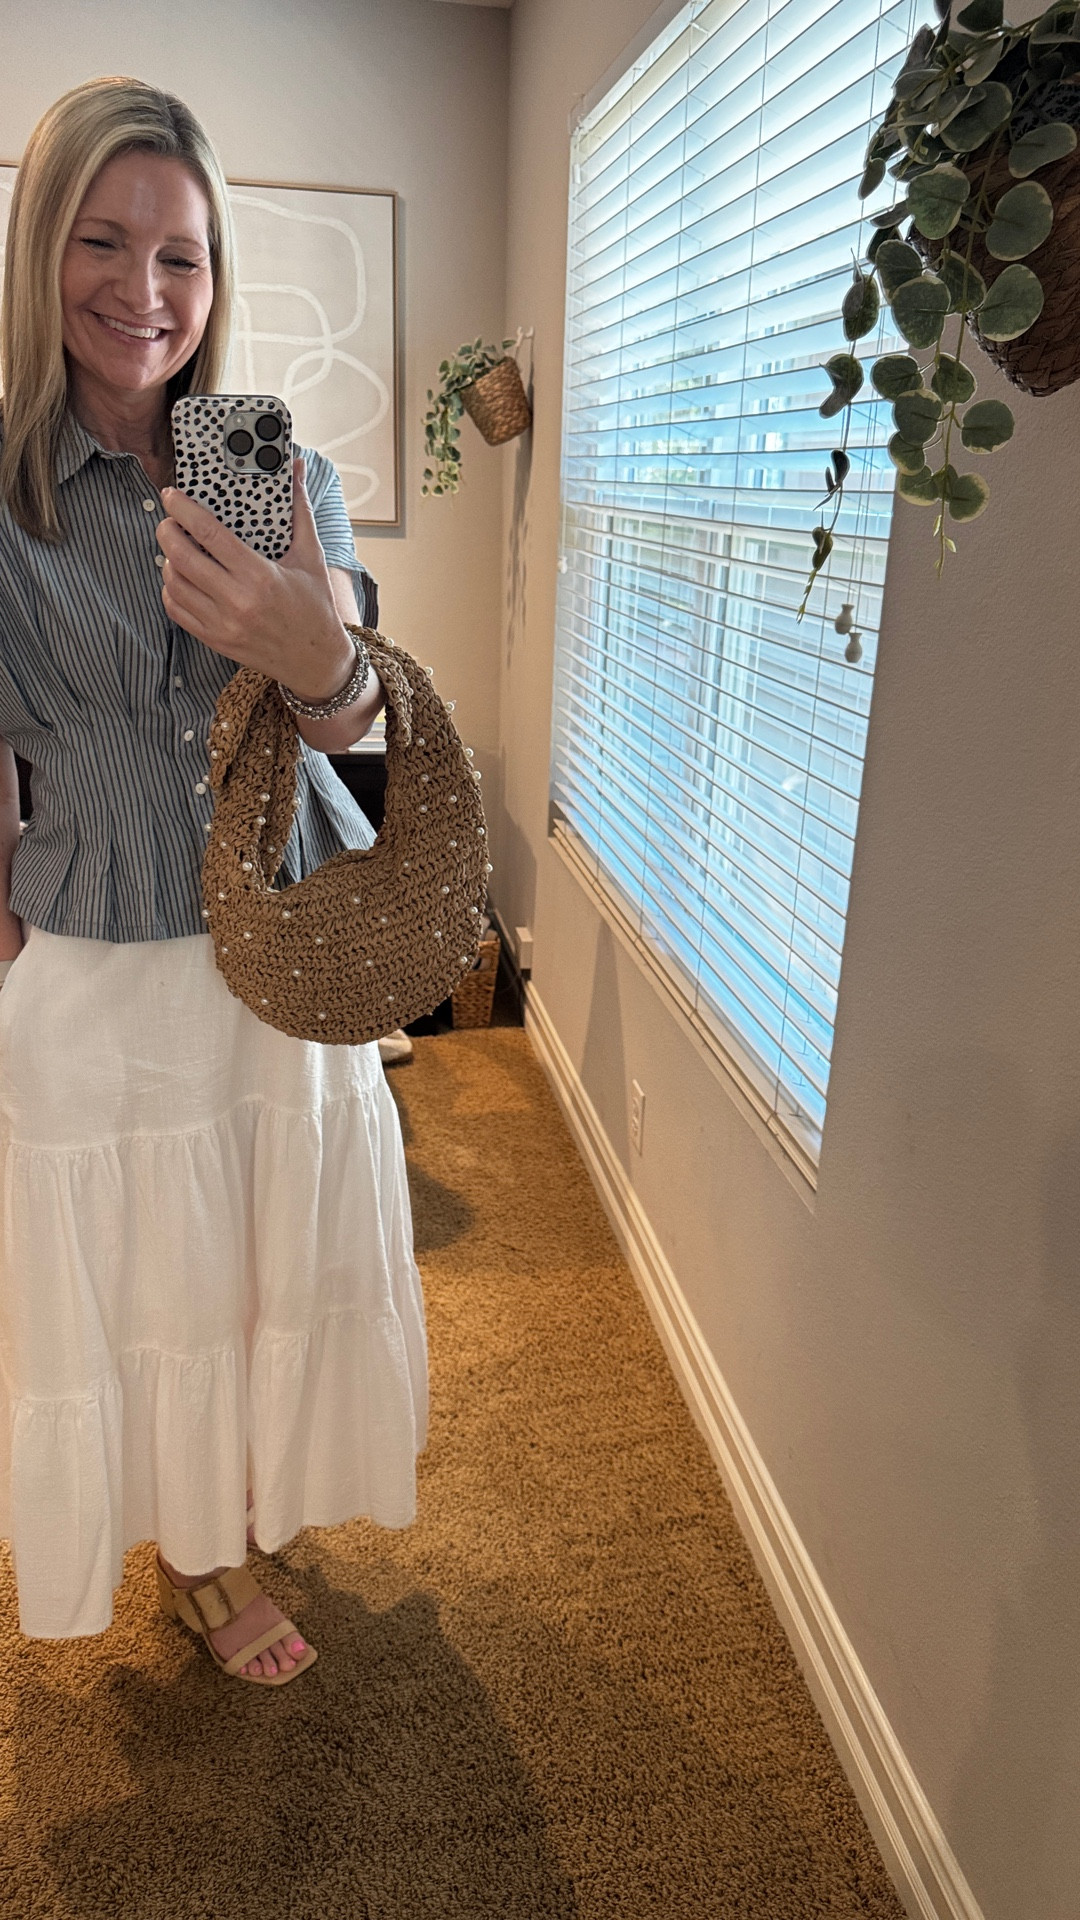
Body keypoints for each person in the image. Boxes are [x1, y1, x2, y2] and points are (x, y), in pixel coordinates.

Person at [0, 76, 428, 1684]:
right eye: (102, 242)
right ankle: (192, 1553)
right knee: (141, 1282)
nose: (144, 289)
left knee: (266, 1255)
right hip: (94, 952)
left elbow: (353, 720)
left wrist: (320, 646)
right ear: (44, 251)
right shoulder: (5, 491)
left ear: (215, 274)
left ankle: (229, 1510)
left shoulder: (270, 469)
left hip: (281, 946)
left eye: (181, 254)